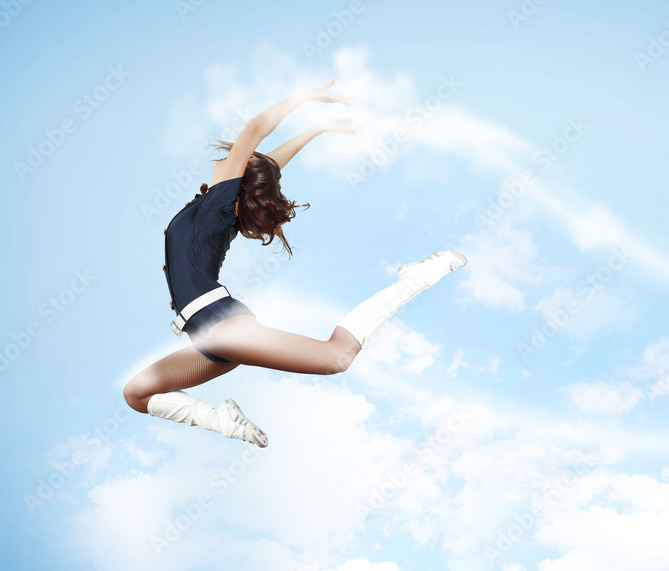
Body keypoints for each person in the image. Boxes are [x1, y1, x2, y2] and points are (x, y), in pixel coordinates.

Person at [122, 81, 467, 447]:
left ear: (235, 183)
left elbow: (253, 129)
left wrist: (306, 98)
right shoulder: (214, 206)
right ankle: (220, 419)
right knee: (138, 395)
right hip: (204, 335)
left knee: (336, 357)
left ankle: (416, 278)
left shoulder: (219, 204)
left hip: (220, 323)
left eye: (235, 161)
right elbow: (267, 166)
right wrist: (316, 130)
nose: (226, 160)